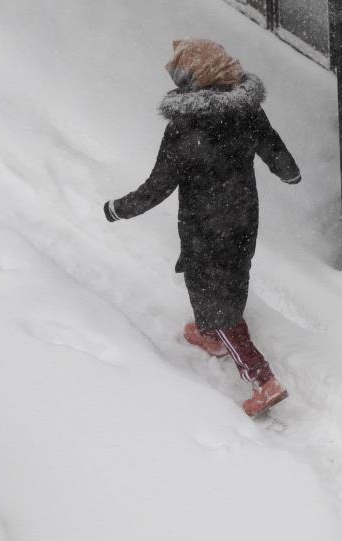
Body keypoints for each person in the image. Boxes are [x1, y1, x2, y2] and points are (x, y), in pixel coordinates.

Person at [104, 38, 300, 417]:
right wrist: (289, 173)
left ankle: (263, 381)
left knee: (211, 293)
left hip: (205, 225)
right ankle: (211, 335)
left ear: (196, 78)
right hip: (244, 215)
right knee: (234, 277)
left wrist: (119, 209)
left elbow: (158, 186)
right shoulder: (247, 111)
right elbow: (273, 148)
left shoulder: (185, 128)